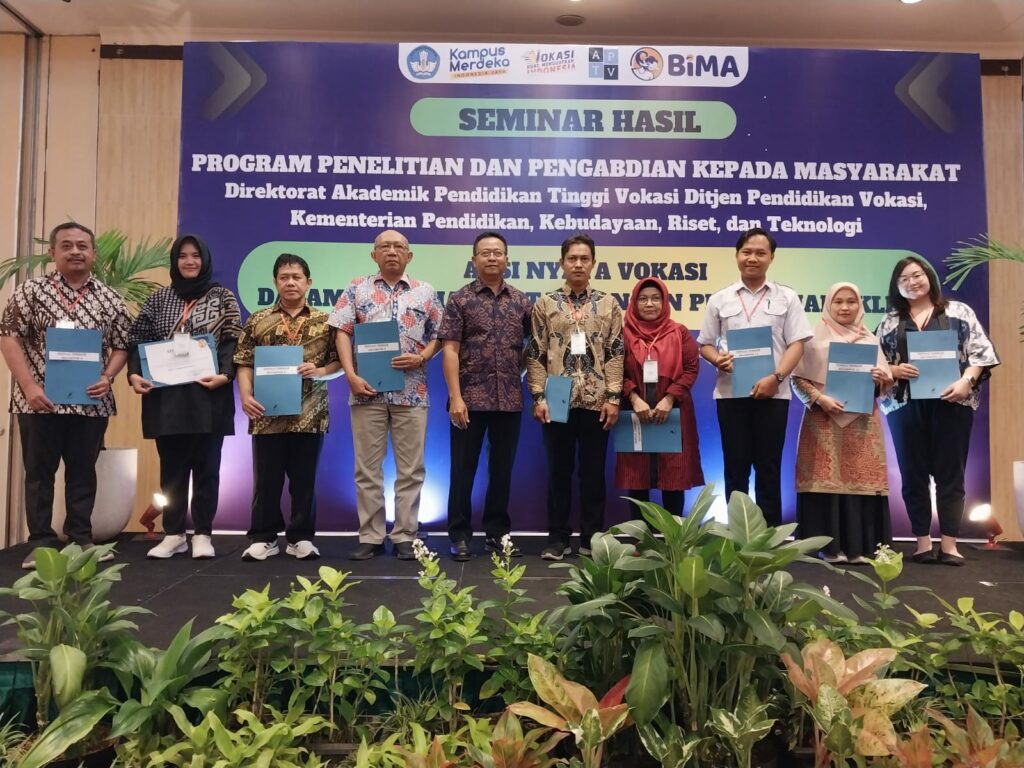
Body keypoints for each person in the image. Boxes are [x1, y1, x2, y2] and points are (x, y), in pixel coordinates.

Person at [0, 221, 130, 569]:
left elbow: (122, 345)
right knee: (39, 474)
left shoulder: (109, 298)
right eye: (67, 245)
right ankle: (42, 543)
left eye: (82, 246)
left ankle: (80, 539)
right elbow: (9, 337)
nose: (75, 251)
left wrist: (108, 377)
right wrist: (29, 386)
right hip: (38, 402)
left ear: (93, 253)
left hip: (91, 402)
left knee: (83, 472)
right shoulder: (30, 291)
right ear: (52, 252)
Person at [876, 256, 999, 566]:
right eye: (904, 279)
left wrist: (966, 382)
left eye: (917, 275)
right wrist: (894, 370)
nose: (912, 282)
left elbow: (981, 354)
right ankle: (922, 543)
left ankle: (949, 544)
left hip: (952, 402)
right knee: (912, 473)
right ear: (896, 287)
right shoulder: (889, 322)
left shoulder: (959, 312)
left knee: (951, 473)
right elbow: (875, 365)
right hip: (905, 404)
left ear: (929, 276)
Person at [128, 234, 242, 560]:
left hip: (209, 395)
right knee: (172, 471)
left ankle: (203, 534)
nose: (189, 261)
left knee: (208, 468)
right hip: (167, 398)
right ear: (175, 261)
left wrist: (226, 374)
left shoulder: (222, 297)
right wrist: (134, 374)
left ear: (205, 260)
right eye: (183, 256)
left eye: (195, 255)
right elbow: (137, 339)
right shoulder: (158, 299)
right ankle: (174, 534)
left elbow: (234, 340)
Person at [330, 230, 442, 561]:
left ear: (409, 255)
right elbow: (342, 332)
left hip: (412, 392)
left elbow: (440, 334)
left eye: (398, 247)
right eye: (384, 247)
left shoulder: (425, 291)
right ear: (373, 255)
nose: (391, 251)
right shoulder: (356, 288)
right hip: (366, 392)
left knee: (411, 469)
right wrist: (350, 375)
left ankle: (406, 535)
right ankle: (371, 536)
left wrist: (422, 357)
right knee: (367, 469)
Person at [697, 228, 813, 527]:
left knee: (768, 468)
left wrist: (777, 377)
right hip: (731, 394)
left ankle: (769, 538)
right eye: (747, 252)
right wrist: (717, 359)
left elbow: (797, 343)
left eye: (761, 253)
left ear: (771, 257)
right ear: (737, 255)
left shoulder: (787, 297)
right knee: (735, 469)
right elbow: (705, 344)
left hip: (774, 394)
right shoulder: (719, 299)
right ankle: (738, 535)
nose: (753, 258)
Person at [233, 253, 340, 562]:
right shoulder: (257, 319)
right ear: (275, 282)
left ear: (308, 282)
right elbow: (244, 361)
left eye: (296, 277)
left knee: (304, 481)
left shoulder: (326, 321)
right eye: (284, 277)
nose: (290, 282)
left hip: (310, 413)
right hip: (266, 413)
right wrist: (245, 395)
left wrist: (319, 371)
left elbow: (340, 362)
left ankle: (300, 538)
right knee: (266, 481)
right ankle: (263, 538)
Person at [526, 233, 624, 560]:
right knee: (558, 471)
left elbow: (616, 353)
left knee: (593, 473)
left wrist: (613, 397)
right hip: (557, 399)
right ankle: (557, 538)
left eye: (584, 259)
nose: (578, 264)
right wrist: (538, 396)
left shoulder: (609, 304)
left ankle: (591, 538)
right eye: (572, 258)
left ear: (593, 263)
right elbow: (536, 353)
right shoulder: (545, 303)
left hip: (597, 400)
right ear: (562, 263)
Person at [439, 232, 532, 561]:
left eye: (498, 253)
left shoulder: (521, 301)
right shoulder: (460, 300)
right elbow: (450, 350)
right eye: (485, 253)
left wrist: (516, 373)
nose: (492, 258)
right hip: (469, 399)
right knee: (462, 470)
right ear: (474, 260)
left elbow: (531, 348)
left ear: (507, 259)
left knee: (502, 471)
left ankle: (497, 533)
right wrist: (455, 398)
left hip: (509, 400)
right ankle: (459, 534)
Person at [790, 282, 893, 564]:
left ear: (860, 305)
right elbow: (797, 379)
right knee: (824, 479)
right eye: (838, 302)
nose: (845, 307)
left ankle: (860, 547)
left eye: (851, 301)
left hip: (862, 422)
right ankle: (828, 547)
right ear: (828, 305)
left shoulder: (870, 340)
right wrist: (820, 398)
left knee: (859, 478)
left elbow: (884, 384)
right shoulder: (812, 339)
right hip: (822, 421)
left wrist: (880, 379)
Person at [616, 277, 704, 517]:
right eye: (643, 299)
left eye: (656, 298)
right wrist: (634, 398)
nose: (649, 304)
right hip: (634, 411)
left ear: (665, 302)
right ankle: (639, 535)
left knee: (674, 475)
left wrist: (669, 399)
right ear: (634, 303)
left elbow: (691, 369)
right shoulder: (623, 334)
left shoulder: (679, 332)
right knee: (636, 476)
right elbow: (614, 370)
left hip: (674, 412)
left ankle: (672, 536)